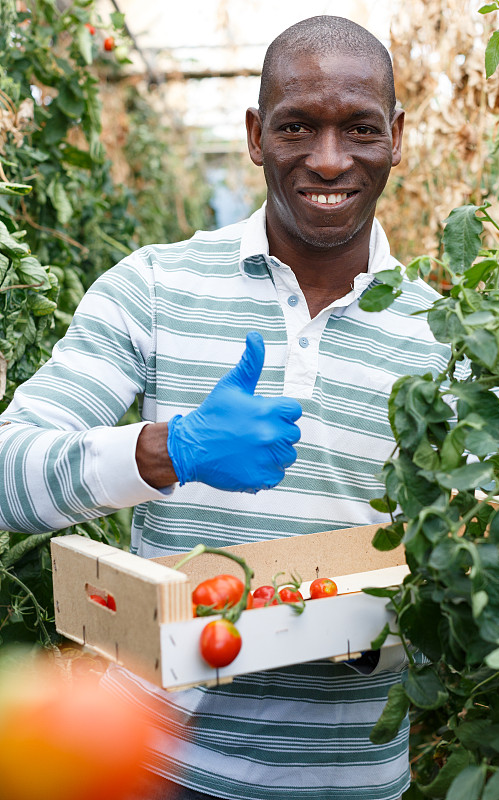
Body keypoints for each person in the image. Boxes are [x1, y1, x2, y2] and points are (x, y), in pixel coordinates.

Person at [0, 15, 454, 800]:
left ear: (397, 137)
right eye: (296, 126)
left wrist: (401, 623)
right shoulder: (153, 286)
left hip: (351, 782)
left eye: (359, 128)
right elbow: (8, 475)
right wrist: (164, 450)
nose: (328, 159)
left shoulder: (445, 339)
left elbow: (477, 555)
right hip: (152, 768)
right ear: (253, 133)